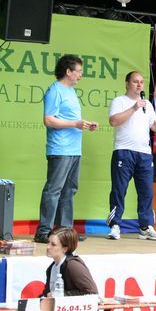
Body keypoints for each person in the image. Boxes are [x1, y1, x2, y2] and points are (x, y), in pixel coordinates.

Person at [34, 54, 99, 244]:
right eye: (78, 71)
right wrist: (75, 123)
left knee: (69, 190)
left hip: (74, 149)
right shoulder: (55, 91)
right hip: (60, 149)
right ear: (68, 72)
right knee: (54, 190)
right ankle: (43, 231)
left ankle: (65, 232)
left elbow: (70, 120)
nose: (81, 74)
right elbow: (49, 120)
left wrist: (84, 124)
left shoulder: (71, 91)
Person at [106, 71, 156, 241]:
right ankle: (115, 225)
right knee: (119, 190)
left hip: (144, 153)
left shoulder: (148, 104)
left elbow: (153, 127)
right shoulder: (119, 101)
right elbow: (113, 121)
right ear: (127, 83)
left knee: (146, 192)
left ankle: (145, 227)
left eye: (141, 82)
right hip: (124, 151)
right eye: (135, 81)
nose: (139, 85)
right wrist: (134, 108)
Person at [42, 227, 98, 297]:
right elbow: (46, 294)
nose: (47, 247)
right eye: (48, 242)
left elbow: (92, 292)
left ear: (65, 249)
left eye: (53, 244)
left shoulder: (73, 265)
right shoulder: (51, 268)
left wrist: (62, 295)